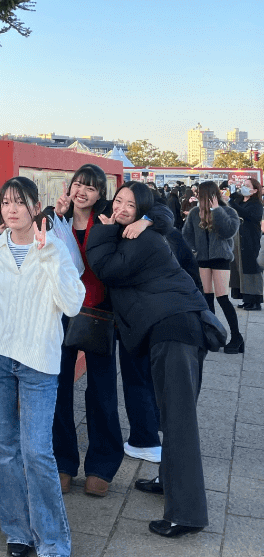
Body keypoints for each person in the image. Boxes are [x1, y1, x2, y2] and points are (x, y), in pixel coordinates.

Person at [0, 177, 85, 557]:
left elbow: (71, 304)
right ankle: (17, 530)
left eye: (20, 202)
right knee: (8, 449)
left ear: (36, 206)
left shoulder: (54, 244)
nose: (12, 209)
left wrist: (48, 253)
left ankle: (52, 539)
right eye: (7, 203)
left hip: (38, 359)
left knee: (37, 450)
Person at [87, 182, 211, 538]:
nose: (122, 208)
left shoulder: (143, 239)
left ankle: (186, 515)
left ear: (142, 209)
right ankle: (168, 480)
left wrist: (103, 228)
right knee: (171, 414)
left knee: (178, 420)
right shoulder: (143, 232)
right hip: (174, 328)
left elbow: (104, 268)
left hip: (175, 331)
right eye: (119, 201)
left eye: (130, 204)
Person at [45, 165, 124, 498]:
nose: (82, 192)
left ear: (100, 194)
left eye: (90, 188)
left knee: (102, 391)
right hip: (59, 311)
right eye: (78, 184)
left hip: (98, 312)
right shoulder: (54, 217)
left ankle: (102, 465)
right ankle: (63, 462)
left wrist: (145, 220)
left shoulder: (109, 220)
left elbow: (159, 213)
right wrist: (52, 214)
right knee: (58, 388)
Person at [183, 182, 242, 352]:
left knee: (223, 298)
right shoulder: (195, 212)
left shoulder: (229, 211)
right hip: (203, 259)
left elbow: (228, 232)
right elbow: (187, 234)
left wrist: (217, 210)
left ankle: (237, 337)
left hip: (221, 259)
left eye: (203, 194)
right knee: (206, 298)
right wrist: (194, 249)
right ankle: (213, 336)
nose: (200, 197)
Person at [230, 177, 263, 310]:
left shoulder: (257, 205)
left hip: (250, 240)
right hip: (238, 239)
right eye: (243, 184)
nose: (244, 187)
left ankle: (255, 300)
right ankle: (245, 298)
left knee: (251, 269)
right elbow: (233, 200)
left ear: (255, 190)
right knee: (239, 268)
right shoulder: (240, 200)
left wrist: (233, 203)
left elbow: (248, 215)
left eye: (247, 185)